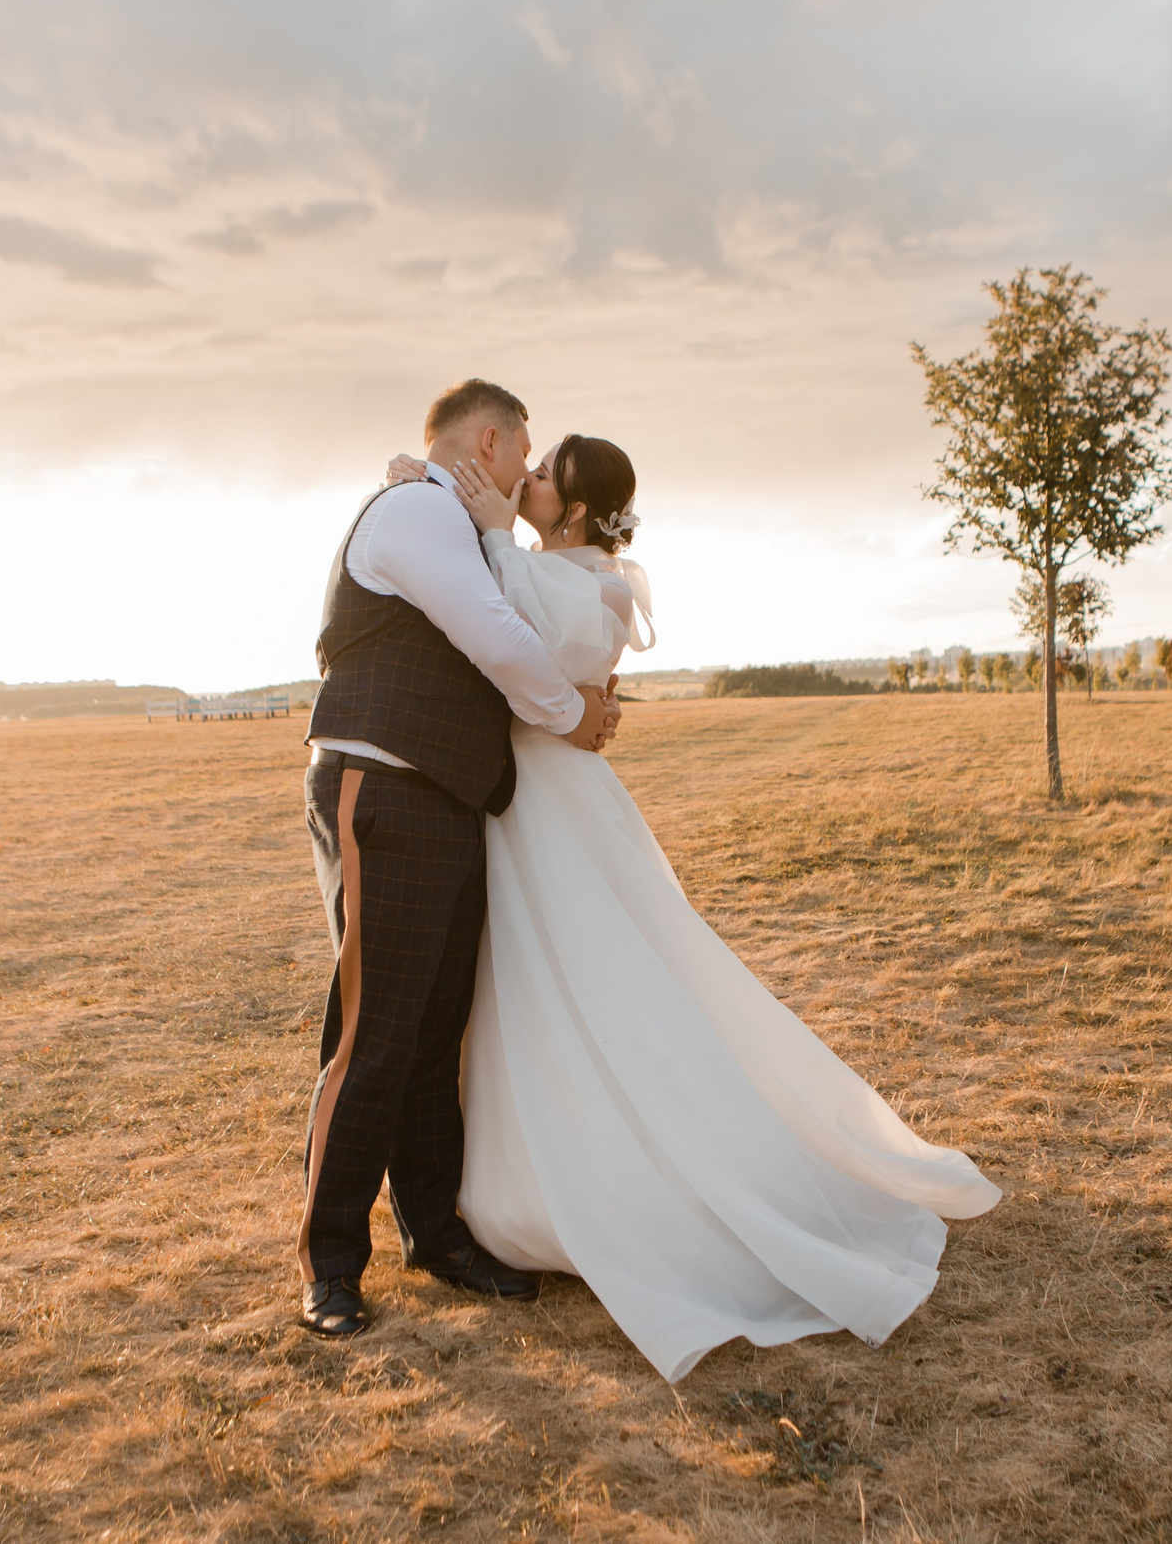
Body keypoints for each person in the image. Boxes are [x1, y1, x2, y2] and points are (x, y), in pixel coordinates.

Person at [379, 433, 1000, 1383]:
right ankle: (521, 1175)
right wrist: (421, 481)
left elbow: (516, 635)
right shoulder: (549, 564)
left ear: (571, 511)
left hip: (552, 807)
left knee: (594, 986)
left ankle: (598, 1188)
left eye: (542, 476)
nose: (525, 480)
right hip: (520, 802)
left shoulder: (593, 589)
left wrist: (494, 529)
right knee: (526, 991)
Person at [296, 380, 621, 1340]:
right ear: (489, 440)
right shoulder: (414, 512)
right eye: (524, 449)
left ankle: (436, 1232)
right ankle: (330, 1263)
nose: (526, 469)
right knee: (376, 1034)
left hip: (452, 797)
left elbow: (516, 612)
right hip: (384, 785)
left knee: (438, 1034)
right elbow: (495, 635)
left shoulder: (458, 521)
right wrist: (573, 717)